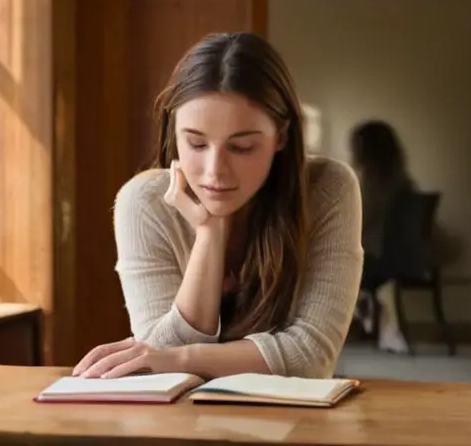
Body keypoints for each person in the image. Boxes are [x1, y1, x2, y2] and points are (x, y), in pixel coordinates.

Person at [71, 32, 364, 380]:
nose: (214, 172)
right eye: (196, 143)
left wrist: (182, 360)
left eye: (241, 148)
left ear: (282, 136)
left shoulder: (328, 190)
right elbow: (154, 368)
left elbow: (311, 357)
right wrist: (209, 234)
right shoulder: (144, 204)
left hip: (295, 422)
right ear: (174, 132)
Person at [348, 120, 415, 352]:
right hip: (397, 259)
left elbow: (359, 222)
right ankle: (365, 310)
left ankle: (362, 312)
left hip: (380, 262)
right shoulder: (402, 180)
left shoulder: (373, 184)